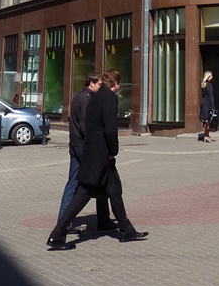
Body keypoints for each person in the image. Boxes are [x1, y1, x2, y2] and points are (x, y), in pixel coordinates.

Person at [47, 70, 148, 249]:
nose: (119, 87)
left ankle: (127, 230)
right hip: (100, 156)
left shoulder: (95, 97)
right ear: (115, 84)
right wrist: (113, 150)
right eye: (119, 84)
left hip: (95, 153)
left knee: (115, 191)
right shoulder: (109, 99)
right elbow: (110, 129)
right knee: (82, 194)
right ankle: (57, 235)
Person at [57, 71, 110, 230]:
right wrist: (96, 143)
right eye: (99, 84)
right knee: (100, 181)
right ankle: (103, 220)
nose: (101, 87)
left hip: (74, 145)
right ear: (91, 83)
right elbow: (85, 126)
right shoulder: (87, 100)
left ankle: (63, 221)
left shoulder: (77, 96)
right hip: (83, 147)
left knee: (72, 183)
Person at [199, 70, 216, 142]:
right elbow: (210, 96)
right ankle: (207, 136)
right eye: (211, 75)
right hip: (208, 104)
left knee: (204, 121)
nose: (212, 77)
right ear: (208, 77)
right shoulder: (209, 85)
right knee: (208, 121)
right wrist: (213, 107)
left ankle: (205, 135)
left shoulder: (203, 84)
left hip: (203, 103)